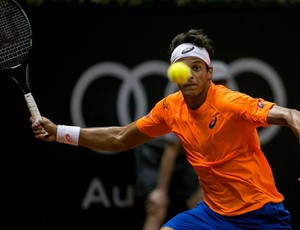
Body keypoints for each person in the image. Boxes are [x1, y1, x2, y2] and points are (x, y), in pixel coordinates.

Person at [31, 28, 296, 229]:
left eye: (197, 67)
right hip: (213, 214)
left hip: (261, 213)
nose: (190, 74)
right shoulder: (170, 108)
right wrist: (60, 132)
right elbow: (121, 137)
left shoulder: (230, 102)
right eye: (182, 69)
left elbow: (291, 115)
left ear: (209, 73)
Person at [136, 60, 231, 230]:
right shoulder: (186, 104)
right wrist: (161, 191)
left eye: (224, 82)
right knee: (157, 207)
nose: (220, 86)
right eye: (218, 82)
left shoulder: (227, 106)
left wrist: (201, 193)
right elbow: (171, 150)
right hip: (157, 155)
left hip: (185, 158)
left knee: (199, 207)